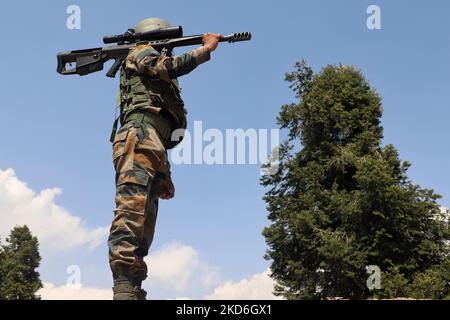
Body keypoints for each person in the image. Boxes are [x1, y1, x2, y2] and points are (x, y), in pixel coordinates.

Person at [107, 17, 221, 300]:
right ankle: (123, 288)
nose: (166, 52)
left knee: (144, 221)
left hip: (151, 142)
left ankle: (133, 287)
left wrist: (164, 172)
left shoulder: (150, 63)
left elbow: (160, 121)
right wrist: (205, 49)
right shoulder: (141, 51)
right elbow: (166, 67)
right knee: (131, 212)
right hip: (139, 137)